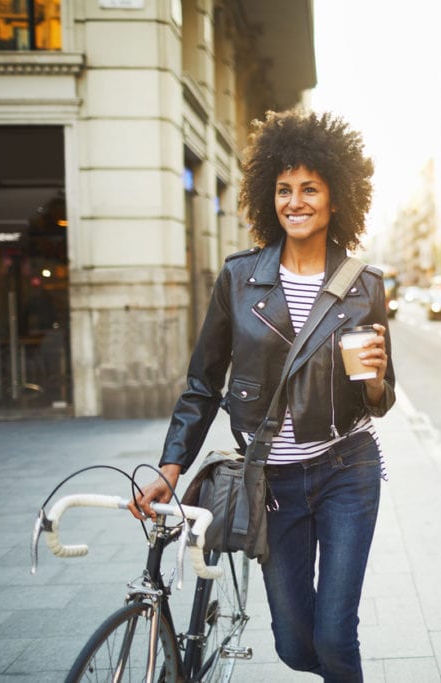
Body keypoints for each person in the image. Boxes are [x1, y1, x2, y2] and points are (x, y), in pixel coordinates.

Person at [129, 108, 396, 681]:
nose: (294, 201)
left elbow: (381, 395)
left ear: (335, 198)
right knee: (296, 645)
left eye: (309, 189)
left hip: (348, 469)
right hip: (270, 481)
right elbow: (203, 381)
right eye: (283, 189)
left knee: (334, 635)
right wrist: (170, 466)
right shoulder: (239, 278)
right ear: (267, 197)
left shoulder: (364, 286)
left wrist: (374, 380)